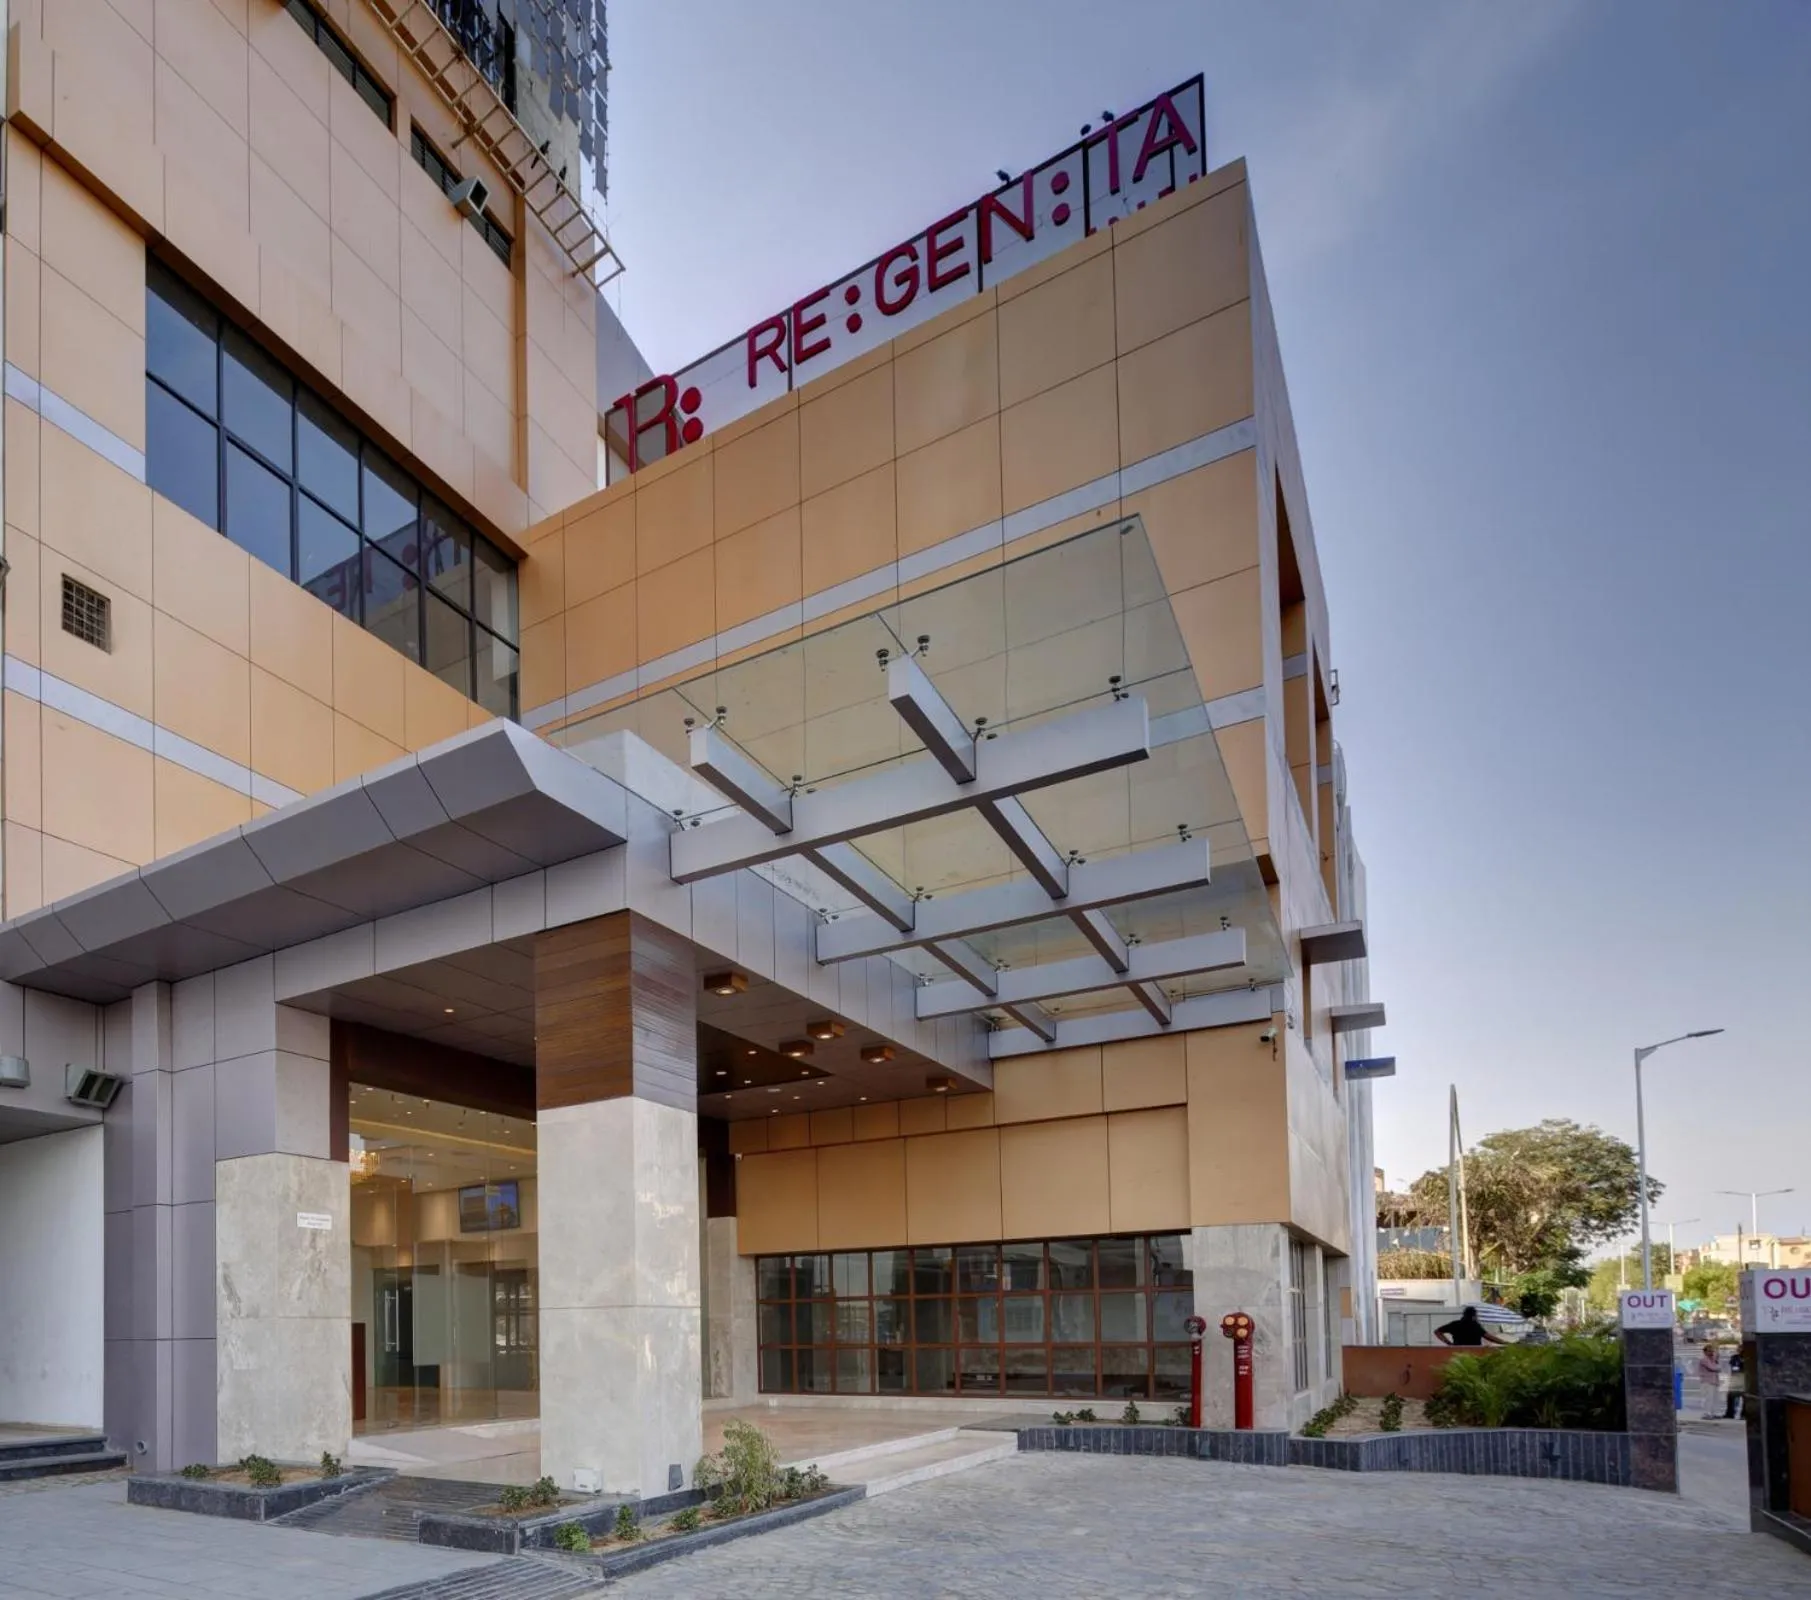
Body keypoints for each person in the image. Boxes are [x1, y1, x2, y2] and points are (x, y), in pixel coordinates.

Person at [1435, 1306, 1511, 1348]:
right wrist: (1504, 1342)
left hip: (1457, 1351)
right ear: (1473, 1316)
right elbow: (1489, 1337)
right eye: (1477, 1315)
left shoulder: (1455, 1324)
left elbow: (1437, 1332)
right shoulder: (1475, 1326)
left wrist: (1449, 1343)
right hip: (1475, 1351)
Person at [1697, 1341, 1721, 1418]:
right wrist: (1718, 1367)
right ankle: (1706, 1413)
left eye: (1712, 1351)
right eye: (1709, 1351)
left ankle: (1714, 1413)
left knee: (1715, 1398)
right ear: (1705, 1352)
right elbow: (1712, 1368)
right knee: (1708, 1398)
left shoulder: (1712, 1359)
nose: (1711, 1353)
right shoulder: (1704, 1359)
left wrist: (1716, 1348)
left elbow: (1717, 1355)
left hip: (1714, 1381)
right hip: (1707, 1381)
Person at [1723, 1346, 1745, 1421]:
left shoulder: (1748, 1358)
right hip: (1735, 1378)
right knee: (1731, 1396)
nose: (1739, 1350)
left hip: (1744, 1379)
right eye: (1739, 1349)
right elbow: (1732, 1365)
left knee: (1745, 1397)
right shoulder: (1734, 1357)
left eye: (1741, 1348)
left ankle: (1744, 1414)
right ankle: (1730, 1413)